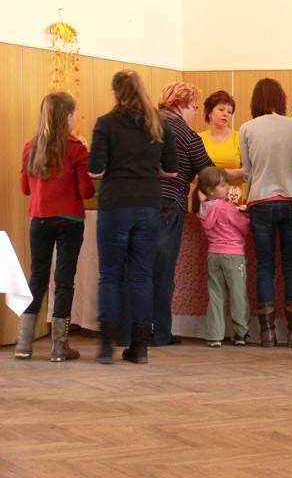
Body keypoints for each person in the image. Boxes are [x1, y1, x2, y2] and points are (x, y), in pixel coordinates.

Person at [88, 70, 177, 364]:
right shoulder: (158, 123)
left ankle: (106, 347)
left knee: (110, 275)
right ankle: (140, 348)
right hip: (148, 205)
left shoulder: (106, 123)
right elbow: (172, 170)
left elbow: (95, 170)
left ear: (115, 92)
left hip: (115, 204)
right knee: (142, 276)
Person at [16, 92, 95, 361]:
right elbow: (86, 191)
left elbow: (25, 188)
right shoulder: (77, 148)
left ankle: (23, 343)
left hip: (39, 219)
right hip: (70, 220)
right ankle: (59, 347)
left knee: (37, 277)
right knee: (64, 281)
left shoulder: (31, 146)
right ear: (69, 117)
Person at [240, 78, 292, 348]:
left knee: (265, 267)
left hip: (261, 200)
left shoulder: (247, 128)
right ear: (281, 99)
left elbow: (247, 172)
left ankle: (267, 333)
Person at [152, 82, 215, 347]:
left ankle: (134, 330)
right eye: (194, 107)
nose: (195, 113)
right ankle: (159, 332)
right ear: (181, 104)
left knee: (138, 268)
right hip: (168, 203)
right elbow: (209, 174)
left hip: (136, 202)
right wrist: (241, 173)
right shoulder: (187, 134)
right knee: (162, 271)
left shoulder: (144, 123)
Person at [196, 166, 251, 347]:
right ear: (211, 190)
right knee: (238, 294)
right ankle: (240, 333)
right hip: (234, 255)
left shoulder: (202, 209)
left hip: (213, 254)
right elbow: (243, 226)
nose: (228, 187)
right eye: (223, 185)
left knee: (216, 295)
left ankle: (214, 335)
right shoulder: (227, 208)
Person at [198, 90, 246, 206]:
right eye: (221, 109)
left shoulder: (240, 138)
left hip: (234, 201)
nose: (226, 114)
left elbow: (247, 173)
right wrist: (232, 175)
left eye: (229, 112)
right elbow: (192, 175)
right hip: (204, 202)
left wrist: (210, 175)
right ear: (209, 112)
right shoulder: (197, 138)